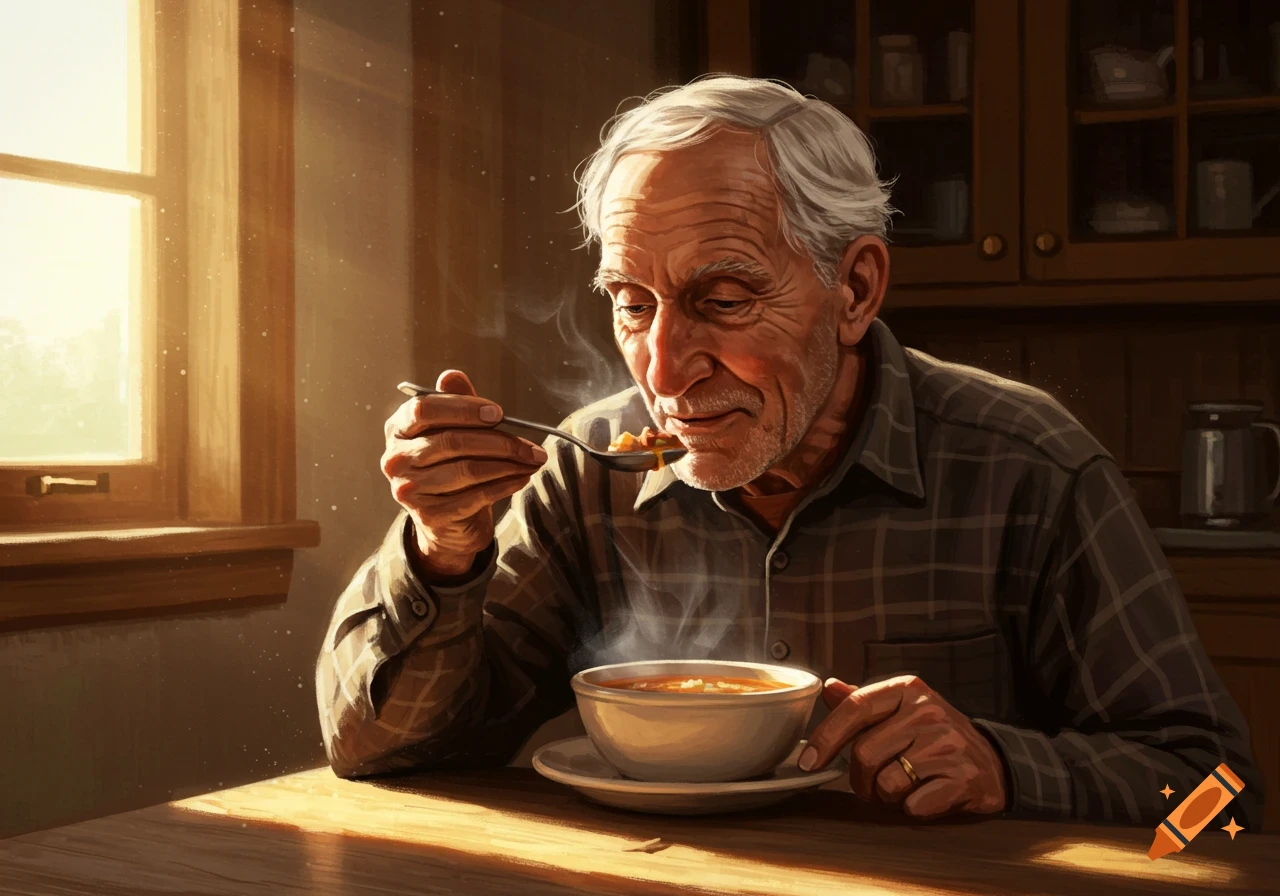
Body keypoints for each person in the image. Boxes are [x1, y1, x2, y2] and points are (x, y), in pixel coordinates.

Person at [316, 76, 1263, 827]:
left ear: (856, 290)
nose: (665, 371)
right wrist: (445, 550)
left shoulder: (1032, 467)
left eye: (723, 301)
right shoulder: (588, 470)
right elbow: (378, 750)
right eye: (632, 303)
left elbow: (1221, 799)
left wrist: (1008, 766)